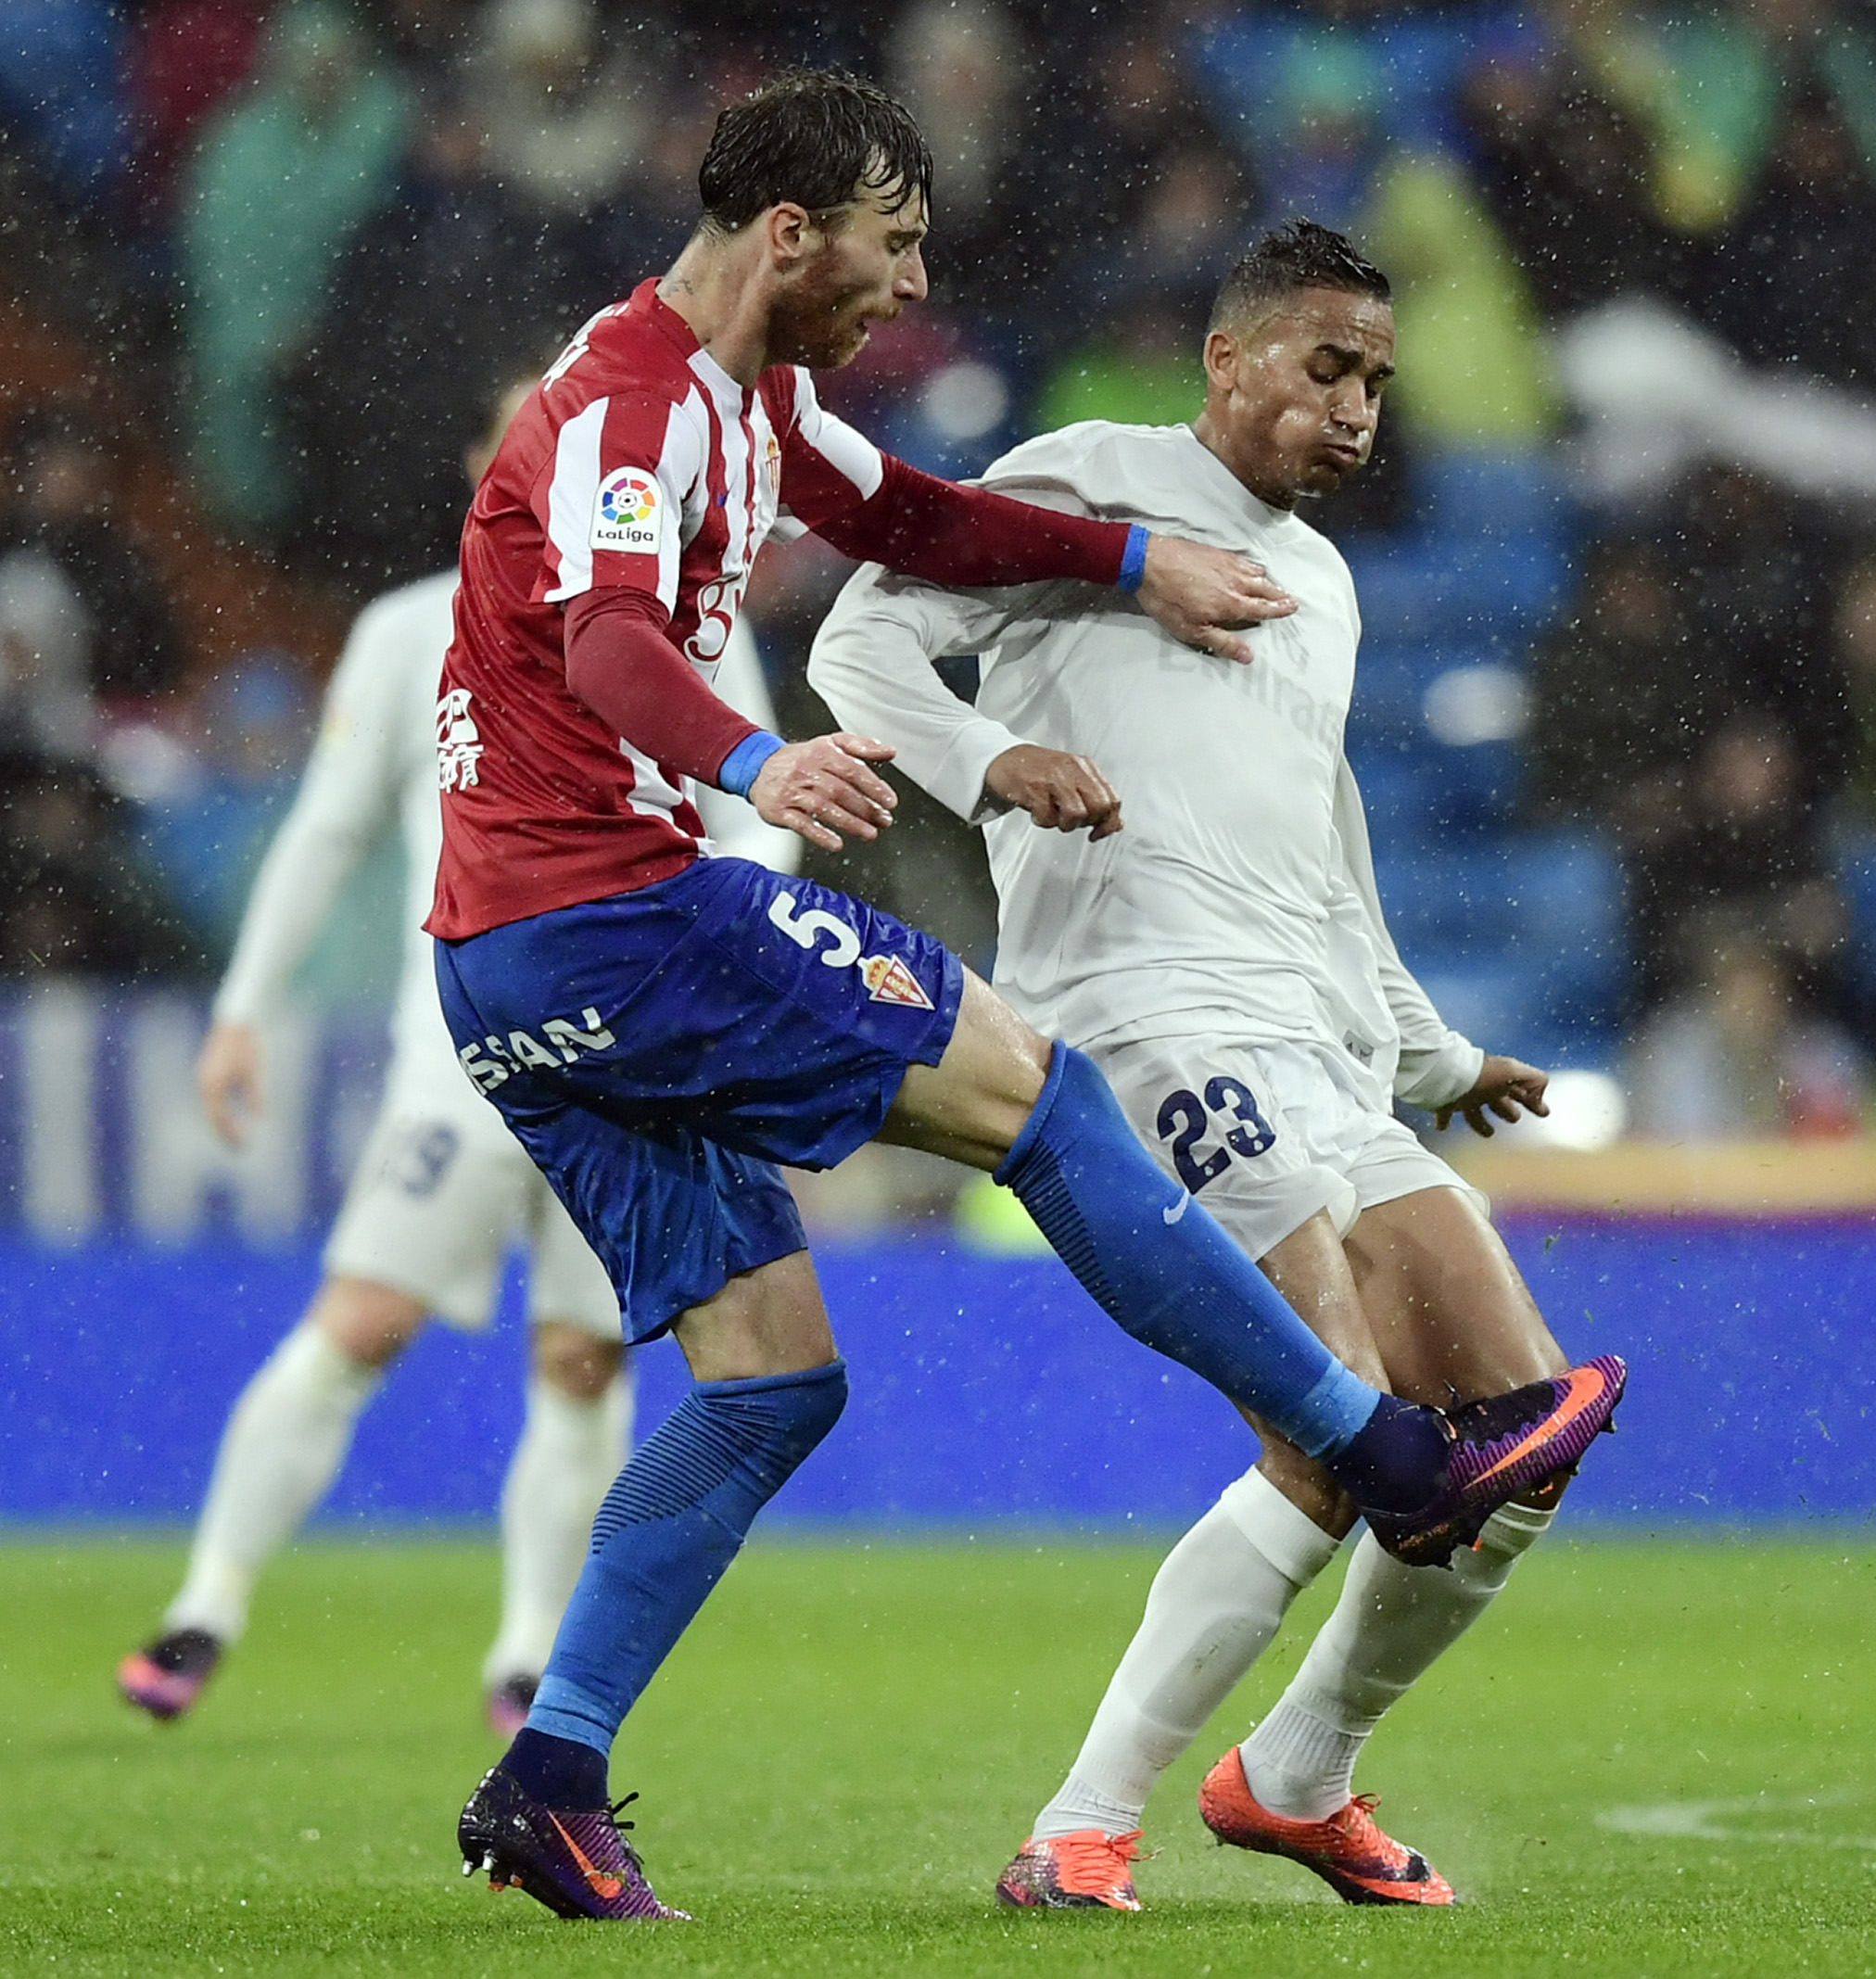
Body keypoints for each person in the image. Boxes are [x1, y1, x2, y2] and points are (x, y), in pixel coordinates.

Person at [432, 76, 1621, 1922]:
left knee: (765, 1393)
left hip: (507, 972)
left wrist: (1136, 568)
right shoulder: (635, 405)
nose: (911, 282)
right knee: (1041, 1091)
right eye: (894, 244)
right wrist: (760, 762)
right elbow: (602, 642)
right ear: (788, 238)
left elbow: (918, 517)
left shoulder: (760, 407)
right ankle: (1391, 1453)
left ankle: (550, 1775)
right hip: (617, 917)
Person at [806, 221, 1588, 1911]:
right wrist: (992, 757)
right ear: (1227, 360)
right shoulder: (1092, 480)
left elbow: (1325, 842)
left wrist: (1434, 1052)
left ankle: (1299, 1774)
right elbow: (857, 648)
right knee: (1335, 1421)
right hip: (1138, 1016)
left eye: (1378, 379)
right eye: (1328, 368)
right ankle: (1080, 1826)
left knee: (1519, 1435)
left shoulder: (1331, 584)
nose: (1360, 409)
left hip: (1310, 1039)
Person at [112, 374, 792, 1738]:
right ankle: (207, 1606)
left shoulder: (687, 629)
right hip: (465, 1059)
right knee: (364, 1319)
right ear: (490, 466)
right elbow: (328, 827)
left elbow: (759, 818)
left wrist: (725, 980)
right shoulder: (409, 632)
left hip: (631, 1071)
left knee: (583, 1362)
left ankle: (526, 1656)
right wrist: (245, 1002)